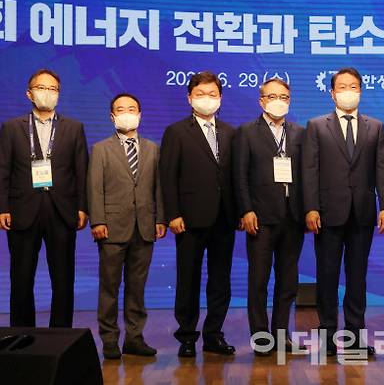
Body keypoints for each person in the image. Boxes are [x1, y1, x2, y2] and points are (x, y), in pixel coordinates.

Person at [302, 67, 384, 356]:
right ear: (332, 93)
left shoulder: (375, 127)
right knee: (327, 276)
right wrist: (311, 207)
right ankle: (327, 337)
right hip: (327, 214)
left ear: (360, 91)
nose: (348, 92)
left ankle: (355, 337)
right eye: (342, 87)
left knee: (358, 278)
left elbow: (383, 170)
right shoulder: (316, 126)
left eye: (353, 86)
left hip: (362, 214)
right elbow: (310, 170)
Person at [0, 69, 88, 328]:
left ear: (58, 95)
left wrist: (82, 207)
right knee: (21, 277)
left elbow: (81, 171)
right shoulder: (11, 128)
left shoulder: (74, 128)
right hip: (22, 210)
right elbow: (3, 170)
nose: (47, 93)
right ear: (29, 93)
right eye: (41, 88)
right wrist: (3, 207)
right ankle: (22, 335)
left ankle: (61, 336)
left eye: (53, 89)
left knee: (63, 279)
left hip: (62, 211)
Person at [160, 71, 238, 357]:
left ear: (220, 98)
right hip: (189, 219)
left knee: (220, 280)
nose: (207, 99)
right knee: (188, 280)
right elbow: (168, 176)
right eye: (201, 94)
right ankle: (187, 337)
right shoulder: (176, 132)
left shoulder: (231, 132)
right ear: (189, 98)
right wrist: (172, 214)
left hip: (224, 218)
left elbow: (236, 176)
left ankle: (214, 334)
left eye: (212, 94)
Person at [87, 93, 167, 359]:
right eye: (120, 110)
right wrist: (98, 220)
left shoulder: (153, 148)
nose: (127, 114)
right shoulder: (100, 149)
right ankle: (109, 339)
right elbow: (94, 188)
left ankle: (134, 338)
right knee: (109, 288)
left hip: (144, 227)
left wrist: (160, 219)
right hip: (111, 228)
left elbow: (158, 188)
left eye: (131, 109)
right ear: (112, 116)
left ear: (140, 115)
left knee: (137, 287)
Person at [233, 79, 306, 356]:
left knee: (288, 281)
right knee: (259, 281)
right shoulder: (246, 132)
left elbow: (307, 175)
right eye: (272, 96)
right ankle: (261, 337)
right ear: (261, 101)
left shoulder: (299, 133)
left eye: (284, 97)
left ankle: (281, 333)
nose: (279, 101)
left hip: (293, 217)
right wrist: (246, 210)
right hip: (260, 218)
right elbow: (239, 175)